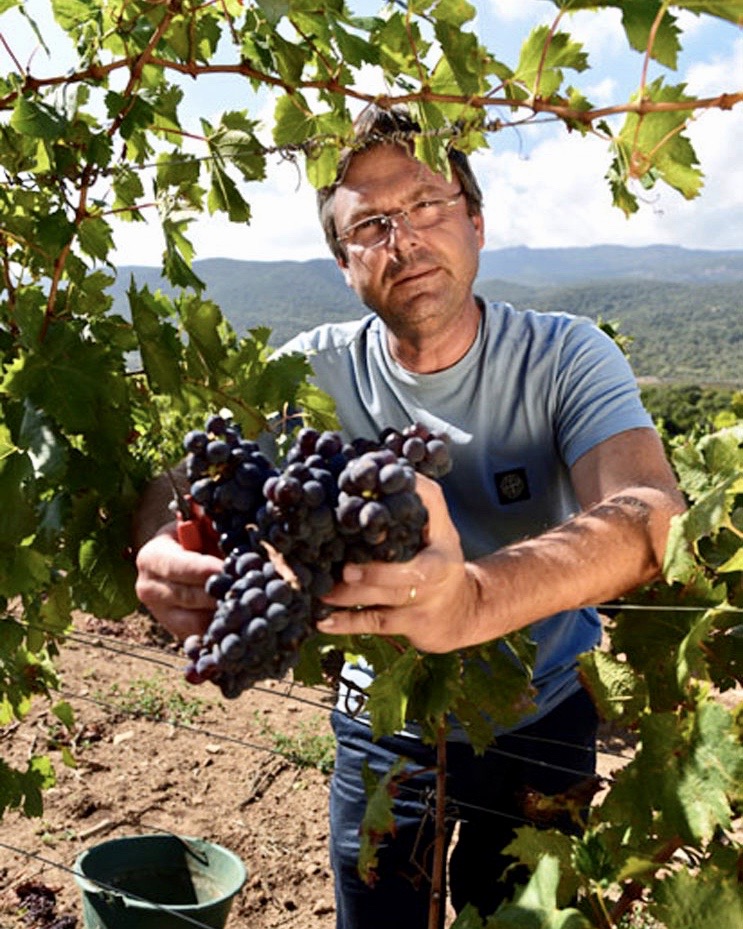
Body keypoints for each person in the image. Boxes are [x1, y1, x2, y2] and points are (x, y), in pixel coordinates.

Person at [133, 106, 686, 928]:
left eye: (428, 205)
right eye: (372, 224)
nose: (405, 238)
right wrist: (158, 540)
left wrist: (474, 600)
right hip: (378, 724)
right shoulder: (309, 372)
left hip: (540, 715)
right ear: (342, 262)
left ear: (476, 221)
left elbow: (648, 515)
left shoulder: (565, 353)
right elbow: (184, 470)